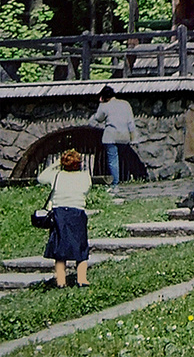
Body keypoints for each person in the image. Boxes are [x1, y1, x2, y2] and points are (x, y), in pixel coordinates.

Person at [38, 148, 92, 288]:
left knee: (60, 248)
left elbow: (40, 178)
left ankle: (61, 281)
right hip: (77, 212)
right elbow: (86, 190)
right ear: (79, 163)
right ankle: (82, 279)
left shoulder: (56, 175)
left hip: (59, 212)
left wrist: (55, 164)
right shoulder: (85, 176)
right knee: (80, 246)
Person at [89, 85, 137, 190]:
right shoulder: (125, 104)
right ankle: (124, 178)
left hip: (110, 136)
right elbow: (131, 122)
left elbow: (98, 118)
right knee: (121, 159)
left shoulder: (105, 106)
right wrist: (133, 137)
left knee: (113, 161)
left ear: (104, 97)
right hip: (124, 136)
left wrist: (101, 104)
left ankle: (115, 184)